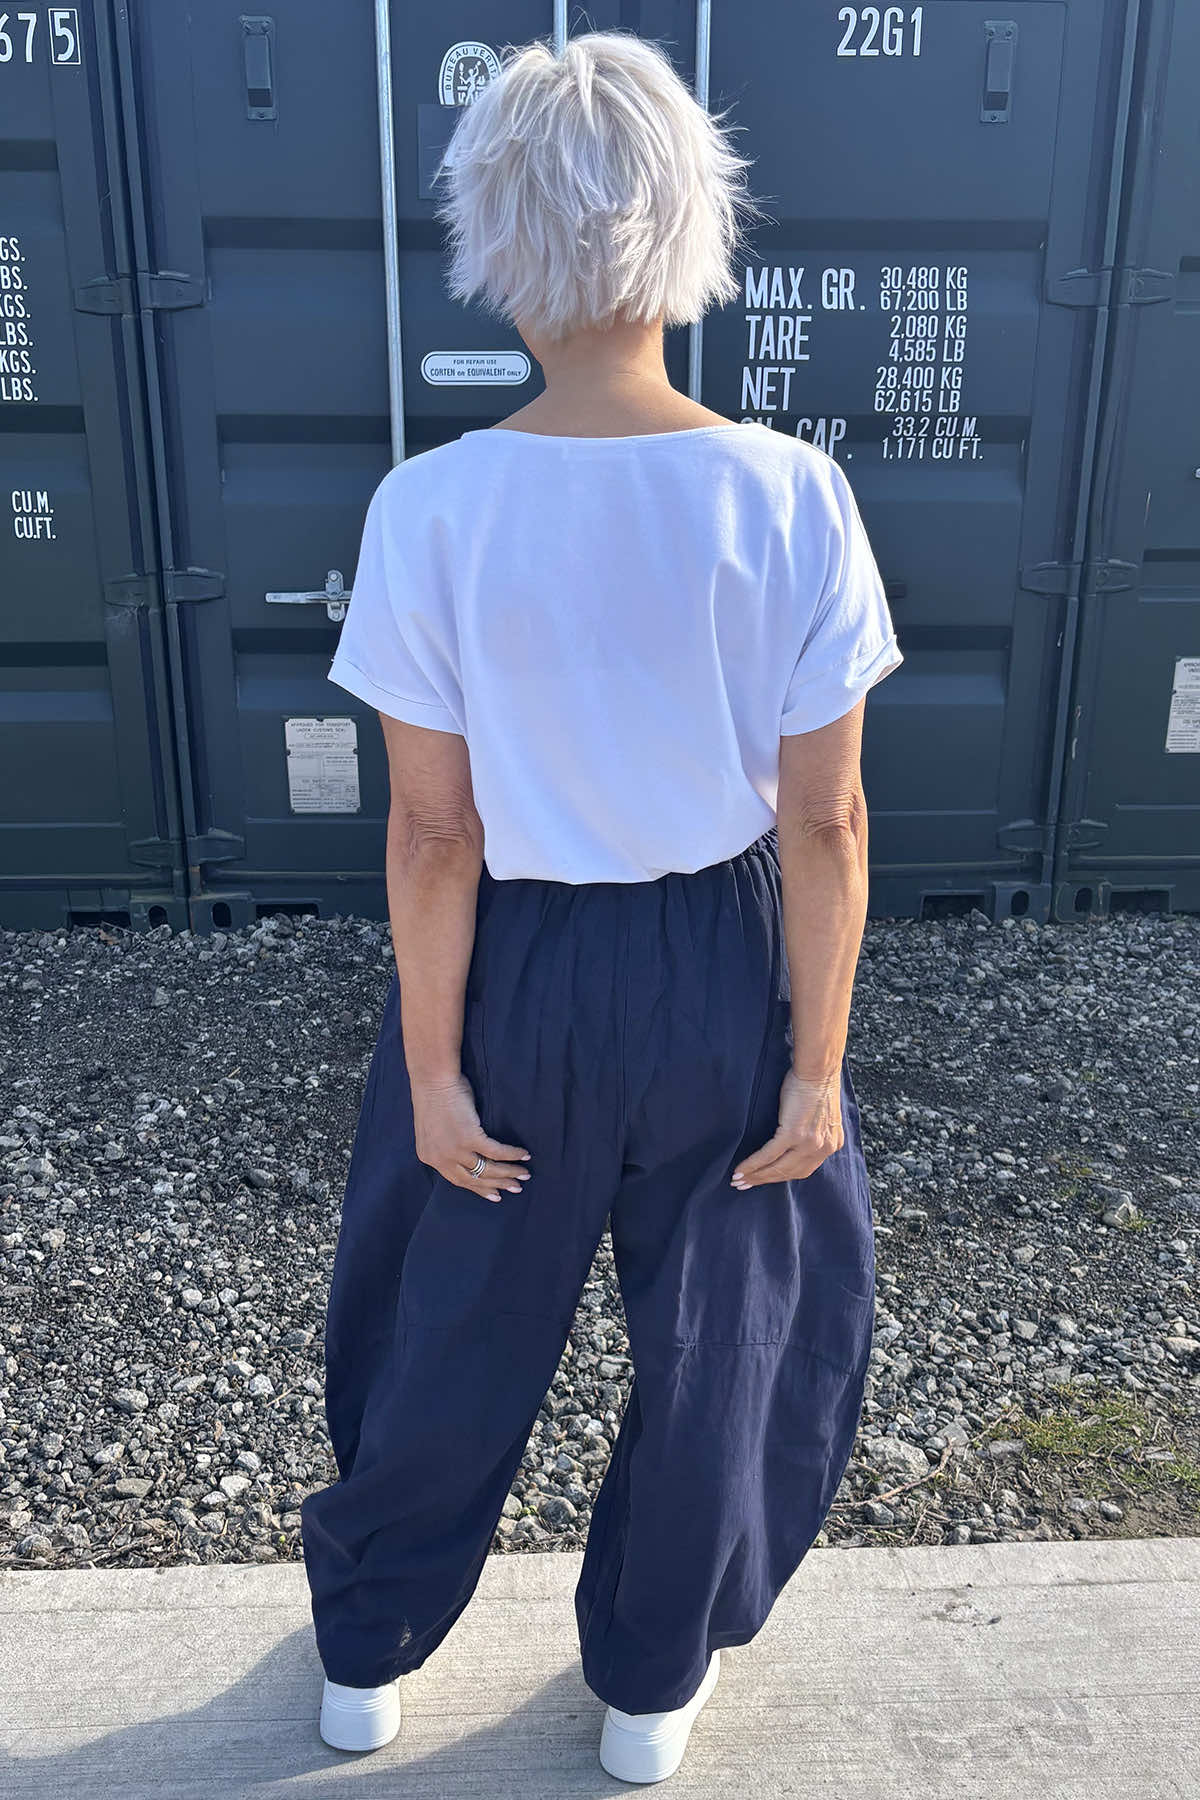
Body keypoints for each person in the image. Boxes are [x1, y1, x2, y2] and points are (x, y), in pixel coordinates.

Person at [300, 27, 903, 1785]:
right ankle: (649, 1686)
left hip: (513, 966)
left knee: (443, 1312)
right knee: (730, 1337)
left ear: (495, 242)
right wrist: (815, 1069)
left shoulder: (430, 507)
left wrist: (433, 1076)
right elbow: (827, 819)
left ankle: (365, 1660)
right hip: (721, 964)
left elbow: (434, 834)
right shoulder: (789, 493)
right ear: (694, 222)